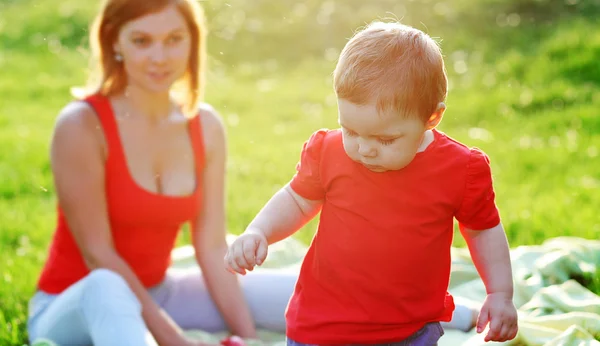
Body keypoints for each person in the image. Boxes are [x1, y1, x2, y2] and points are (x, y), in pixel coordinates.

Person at [224, 20, 519, 345]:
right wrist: (258, 231)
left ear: (431, 118)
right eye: (350, 130)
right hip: (321, 326)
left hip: (409, 331)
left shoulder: (461, 169)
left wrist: (500, 293)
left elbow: (482, 229)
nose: (364, 148)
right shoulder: (328, 151)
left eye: (385, 138)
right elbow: (296, 200)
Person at [26, 0, 297, 345]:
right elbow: (98, 255)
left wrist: (245, 336)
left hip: (161, 293)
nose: (160, 57)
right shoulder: (80, 126)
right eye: (141, 41)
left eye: (173, 39)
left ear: (192, 41)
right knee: (108, 287)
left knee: (301, 288)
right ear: (114, 42)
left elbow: (212, 248)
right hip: (78, 303)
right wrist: (173, 339)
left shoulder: (206, 126)